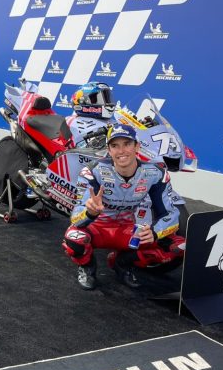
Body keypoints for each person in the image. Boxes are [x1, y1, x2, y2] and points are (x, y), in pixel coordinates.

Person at [62, 124, 185, 290]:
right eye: (115, 145)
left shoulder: (156, 173)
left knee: (179, 245)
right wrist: (90, 212)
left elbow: (171, 214)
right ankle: (87, 267)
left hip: (128, 230)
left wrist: (155, 232)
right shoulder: (92, 171)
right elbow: (75, 218)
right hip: (97, 228)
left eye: (127, 144)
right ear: (109, 150)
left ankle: (122, 263)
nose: (121, 151)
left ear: (137, 146)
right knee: (74, 237)